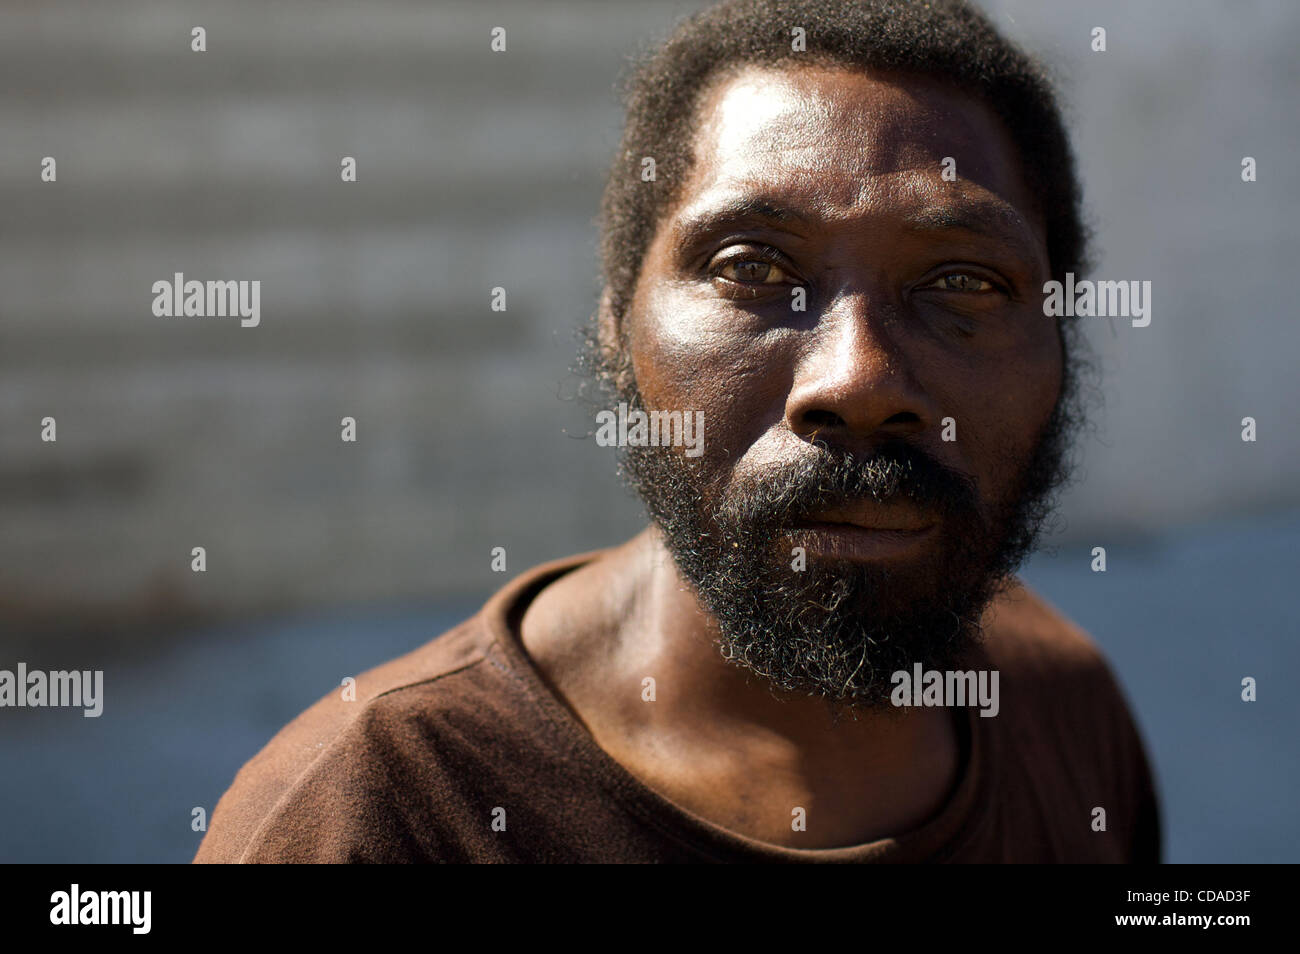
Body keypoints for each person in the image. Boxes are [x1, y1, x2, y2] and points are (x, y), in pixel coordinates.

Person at [195, 0, 1161, 863]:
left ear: (1063, 343)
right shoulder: (371, 817)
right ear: (618, 327)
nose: (856, 381)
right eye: (750, 266)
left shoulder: (1061, 706)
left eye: (962, 282)